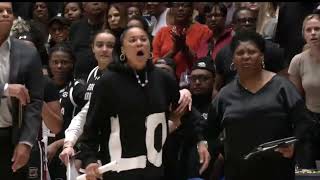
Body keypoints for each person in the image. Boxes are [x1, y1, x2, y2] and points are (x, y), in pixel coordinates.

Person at [79, 26, 209, 180]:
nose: (139, 43)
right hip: (118, 172)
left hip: (155, 172)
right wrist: (90, 160)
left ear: (150, 47)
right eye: (132, 40)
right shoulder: (108, 82)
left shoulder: (163, 79)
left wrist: (200, 140)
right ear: (123, 50)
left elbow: (185, 112)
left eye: (143, 39)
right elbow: (91, 129)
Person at [206, 31, 315, 180]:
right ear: (233, 59)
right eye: (240, 53)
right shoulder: (225, 95)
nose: (245, 56)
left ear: (262, 56)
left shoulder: (282, 87)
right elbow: (209, 132)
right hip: (238, 171)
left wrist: (294, 143)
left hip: (278, 169)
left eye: (252, 52)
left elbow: (304, 122)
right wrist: (223, 152)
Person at [59, 29, 117, 165]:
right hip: (94, 146)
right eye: (100, 45)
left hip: (115, 147)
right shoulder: (94, 72)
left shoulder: (119, 77)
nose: (104, 49)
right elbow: (86, 113)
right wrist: (69, 143)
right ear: (92, 48)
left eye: (109, 45)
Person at [0, 2, 44, 179]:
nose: (5, 15)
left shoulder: (28, 51)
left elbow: (35, 101)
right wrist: (4, 89)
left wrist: (26, 142)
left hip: (11, 137)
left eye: (9, 11)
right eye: (0, 11)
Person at [213, 7, 285, 96]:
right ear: (233, 25)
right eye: (242, 21)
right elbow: (217, 87)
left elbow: (283, 81)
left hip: (267, 99)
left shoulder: (272, 50)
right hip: (233, 100)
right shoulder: (223, 53)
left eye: (251, 20)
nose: (247, 24)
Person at [47, 43, 86, 180]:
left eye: (64, 62)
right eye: (55, 62)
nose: (59, 66)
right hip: (42, 153)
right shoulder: (41, 87)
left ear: (73, 64)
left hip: (68, 154)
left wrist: (57, 144)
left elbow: (86, 128)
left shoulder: (78, 89)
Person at [288, 14, 320, 169]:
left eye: (317, 29)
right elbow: (297, 97)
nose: (313, 33)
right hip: (310, 120)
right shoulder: (298, 61)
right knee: (307, 170)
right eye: (309, 30)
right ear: (304, 34)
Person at [153, 2, 212, 79]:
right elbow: (155, 66)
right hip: (165, 81)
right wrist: (173, 51)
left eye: (185, 5)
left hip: (195, 82)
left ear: (192, 9)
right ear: (171, 9)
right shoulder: (162, 32)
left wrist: (184, 47)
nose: (180, 9)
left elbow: (203, 63)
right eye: (177, 5)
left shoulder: (204, 31)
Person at [69, 2, 106, 81]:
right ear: (84, 6)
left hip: (105, 78)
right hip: (78, 79)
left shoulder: (110, 26)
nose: (96, 3)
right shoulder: (75, 27)